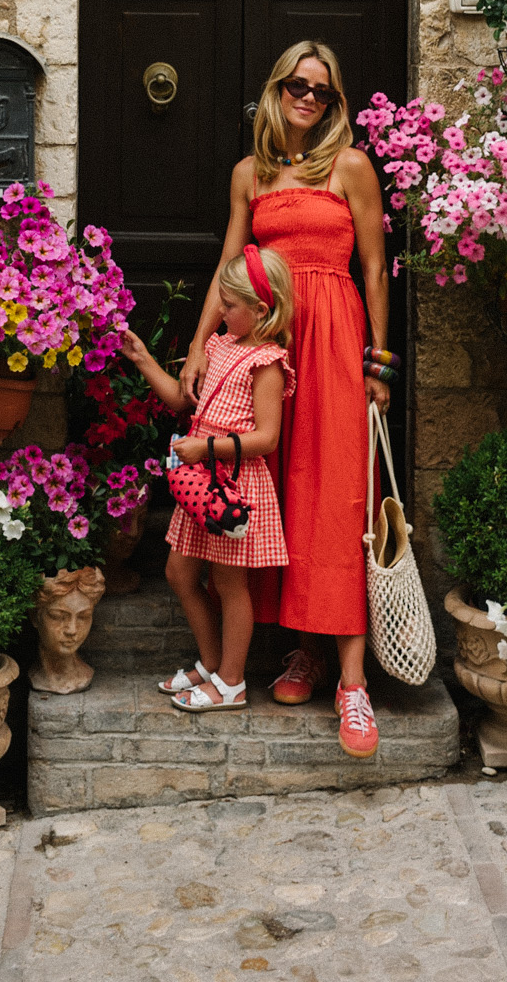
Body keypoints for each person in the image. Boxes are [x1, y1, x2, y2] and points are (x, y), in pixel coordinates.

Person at [178, 40, 392, 758]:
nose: (309, 98)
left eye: (323, 92)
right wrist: (199, 349)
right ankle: (304, 651)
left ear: (335, 104)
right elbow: (228, 268)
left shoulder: (352, 167)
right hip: (265, 348)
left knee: (334, 498)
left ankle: (352, 681)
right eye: (299, 85)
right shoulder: (250, 175)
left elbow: (373, 266)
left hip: (332, 342)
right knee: (278, 493)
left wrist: (380, 363)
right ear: (276, 90)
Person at [121, 245, 294, 712]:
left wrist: (207, 448)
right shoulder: (220, 346)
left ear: (260, 310)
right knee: (179, 572)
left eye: (229, 305)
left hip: (231, 488)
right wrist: (143, 360)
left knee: (230, 585)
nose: (219, 311)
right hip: (201, 486)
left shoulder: (268, 363)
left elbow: (268, 438)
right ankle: (213, 662)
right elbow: (183, 402)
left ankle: (232, 682)